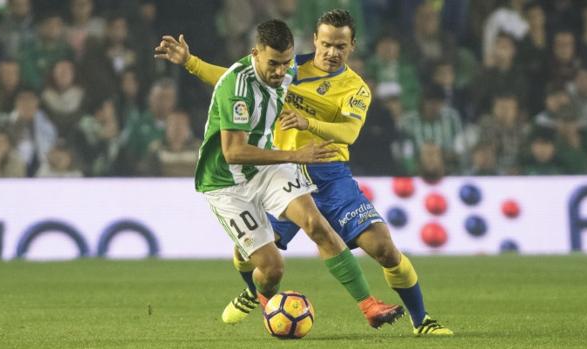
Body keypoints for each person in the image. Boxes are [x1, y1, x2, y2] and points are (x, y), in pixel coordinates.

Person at [157, 9, 452, 336]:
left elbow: (349, 133)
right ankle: (254, 291)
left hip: (330, 177)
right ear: (315, 40)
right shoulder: (288, 66)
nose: (331, 51)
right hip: (281, 165)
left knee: (384, 248)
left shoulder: (356, 89)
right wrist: (190, 62)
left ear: (352, 45)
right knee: (255, 257)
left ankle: (421, 320)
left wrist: (306, 122)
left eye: (340, 45)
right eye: (326, 44)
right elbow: (235, 79)